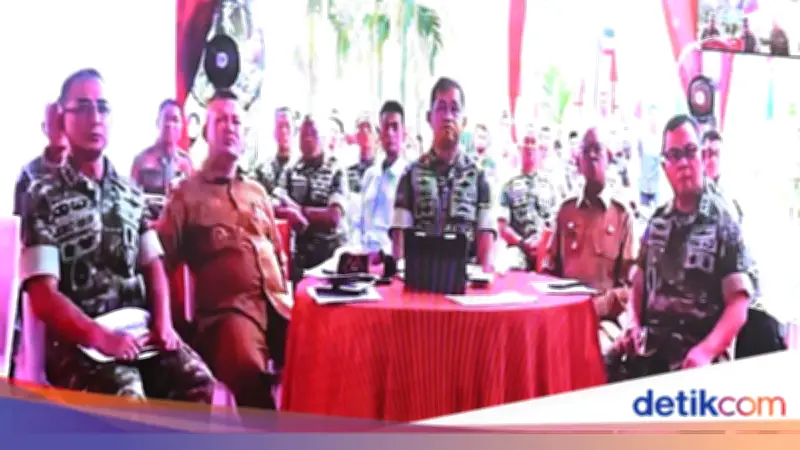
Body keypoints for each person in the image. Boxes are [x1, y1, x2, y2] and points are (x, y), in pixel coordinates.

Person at [19, 68, 217, 401]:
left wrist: (164, 324)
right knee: (129, 397)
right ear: (62, 119)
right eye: (83, 108)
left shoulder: (130, 192)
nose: (95, 118)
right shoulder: (42, 196)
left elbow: (153, 265)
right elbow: (43, 295)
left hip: (138, 332)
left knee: (198, 381)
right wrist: (101, 337)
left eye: (103, 108)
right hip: (79, 344)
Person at [157, 90, 291, 409]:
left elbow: (279, 255)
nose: (230, 127)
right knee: (248, 370)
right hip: (226, 316)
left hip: (278, 306)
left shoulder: (257, 192)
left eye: (236, 121)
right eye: (220, 121)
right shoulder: (186, 195)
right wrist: (171, 324)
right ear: (206, 132)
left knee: (324, 351)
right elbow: (159, 262)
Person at [614, 114, 757, 376]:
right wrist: (632, 323)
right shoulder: (657, 221)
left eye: (690, 152)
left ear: (702, 156)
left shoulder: (723, 221)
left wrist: (706, 351)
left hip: (698, 361)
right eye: (675, 155)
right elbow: (638, 282)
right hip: (652, 354)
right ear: (665, 166)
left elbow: (738, 305)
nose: (683, 163)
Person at [542, 127, 635, 352]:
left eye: (597, 149)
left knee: (599, 352)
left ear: (608, 157)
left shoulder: (622, 215)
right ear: (578, 161)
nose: (592, 155)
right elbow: (548, 272)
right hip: (562, 316)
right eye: (586, 151)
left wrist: (596, 307)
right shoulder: (566, 211)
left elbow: (630, 288)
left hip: (603, 321)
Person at [391, 77, 496, 270]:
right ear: (429, 117)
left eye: (454, 109)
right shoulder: (410, 175)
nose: (448, 116)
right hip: (420, 278)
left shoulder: (479, 178)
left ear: (464, 121)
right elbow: (399, 248)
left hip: (465, 279)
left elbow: (486, 251)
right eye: (441, 108)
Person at [274, 114, 348, 279]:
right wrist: (290, 213)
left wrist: (299, 211)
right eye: (303, 134)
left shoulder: (336, 168)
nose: (307, 139)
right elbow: (275, 203)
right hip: (298, 255)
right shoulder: (291, 169)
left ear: (323, 137)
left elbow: (333, 216)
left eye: (313, 133)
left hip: (330, 256)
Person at [497, 125, 560, 270]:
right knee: (508, 262)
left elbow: (556, 222)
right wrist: (522, 243)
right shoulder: (509, 185)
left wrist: (543, 243)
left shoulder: (550, 185)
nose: (530, 147)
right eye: (526, 142)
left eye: (533, 142)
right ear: (520, 148)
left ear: (540, 150)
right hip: (519, 248)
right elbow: (502, 226)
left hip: (546, 248)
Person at [353, 101, 408, 254]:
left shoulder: (409, 177)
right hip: (362, 254)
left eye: (395, 127)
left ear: (404, 133)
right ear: (380, 133)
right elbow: (359, 222)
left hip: (390, 257)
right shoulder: (370, 175)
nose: (390, 133)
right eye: (386, 127)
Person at [131, 99, 194, 221]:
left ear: (182, 126)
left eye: (175, 120)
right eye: (166, 119)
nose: (170, 125)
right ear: (157, 123)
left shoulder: (186, 163)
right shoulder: (142, 161)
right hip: (147, 224)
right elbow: (131, 202)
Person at [13, 103, 70, 218]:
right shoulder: (28, 174)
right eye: (53, 124)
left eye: (63, 123)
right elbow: (21, 222)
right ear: (45, 128)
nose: (60, 129)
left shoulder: (89, 168)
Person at [701, 130, 743, 224]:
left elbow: (740, 217)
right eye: (709, 153)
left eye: (716, 153)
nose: (713, 159)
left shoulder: (729, 188)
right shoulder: (699, 189)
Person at [252, 106, 294, 196]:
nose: (284, 131)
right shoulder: (262, 169)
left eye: (287, 126)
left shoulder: (299, 170)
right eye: (280, 126)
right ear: (274, 132)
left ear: (294, 130)